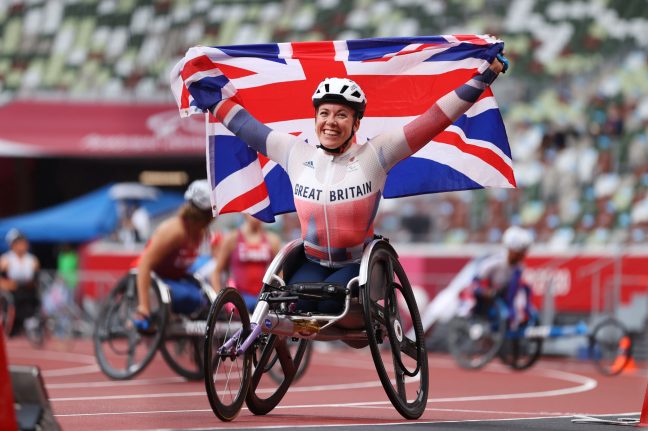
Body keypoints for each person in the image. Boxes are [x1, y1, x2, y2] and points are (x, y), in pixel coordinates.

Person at [189, 53, 507, 313]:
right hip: (311, 260)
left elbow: (434, 119)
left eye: (342, 115)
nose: (331, 122)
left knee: (325, 304)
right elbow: (247, 127)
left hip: (356, 263)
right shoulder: (294, 152)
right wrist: (213, 100)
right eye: (324, 113)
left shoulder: (377, 154)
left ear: (356, 122)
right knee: (282, 307)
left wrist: (482, 79)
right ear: (314, 120)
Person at [131, 179, 214, 332]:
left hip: (174, 278)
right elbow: (145, 264)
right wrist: (144, 307)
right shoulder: (174, 231)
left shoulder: (200, 232)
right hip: (152, 277)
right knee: (185, 296)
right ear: (205, 213)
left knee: (201, 299)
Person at [467, 225, 536, 329]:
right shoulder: (494, 263)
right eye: (521, 252)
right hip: (487, 299)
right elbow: (475, 281)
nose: (523, 256)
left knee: (525, 290)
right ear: (512, 250)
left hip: (505, 297)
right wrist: (485, 291)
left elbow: (515, 289)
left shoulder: (519, 268)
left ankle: (522, 319)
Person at [212, 214, 282, 311]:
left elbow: (280, 273)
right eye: (253, 211)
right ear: (245, 213)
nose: (257, 215)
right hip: (239, 298)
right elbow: (216, 272)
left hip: (261, 298)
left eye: (260, 211)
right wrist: (219, 300)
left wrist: (278, 296)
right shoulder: (232, 238)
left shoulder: (272, 240)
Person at [0, 229, 40, 336]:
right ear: (12, 244)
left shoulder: (32, 260)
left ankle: (31, 321)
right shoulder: (6, 260)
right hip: (12, 291)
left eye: (24, 242)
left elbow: (37, 279)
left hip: (28, 289)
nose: (22, 245)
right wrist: (6, 284)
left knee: (33, 298)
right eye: (19, 242)